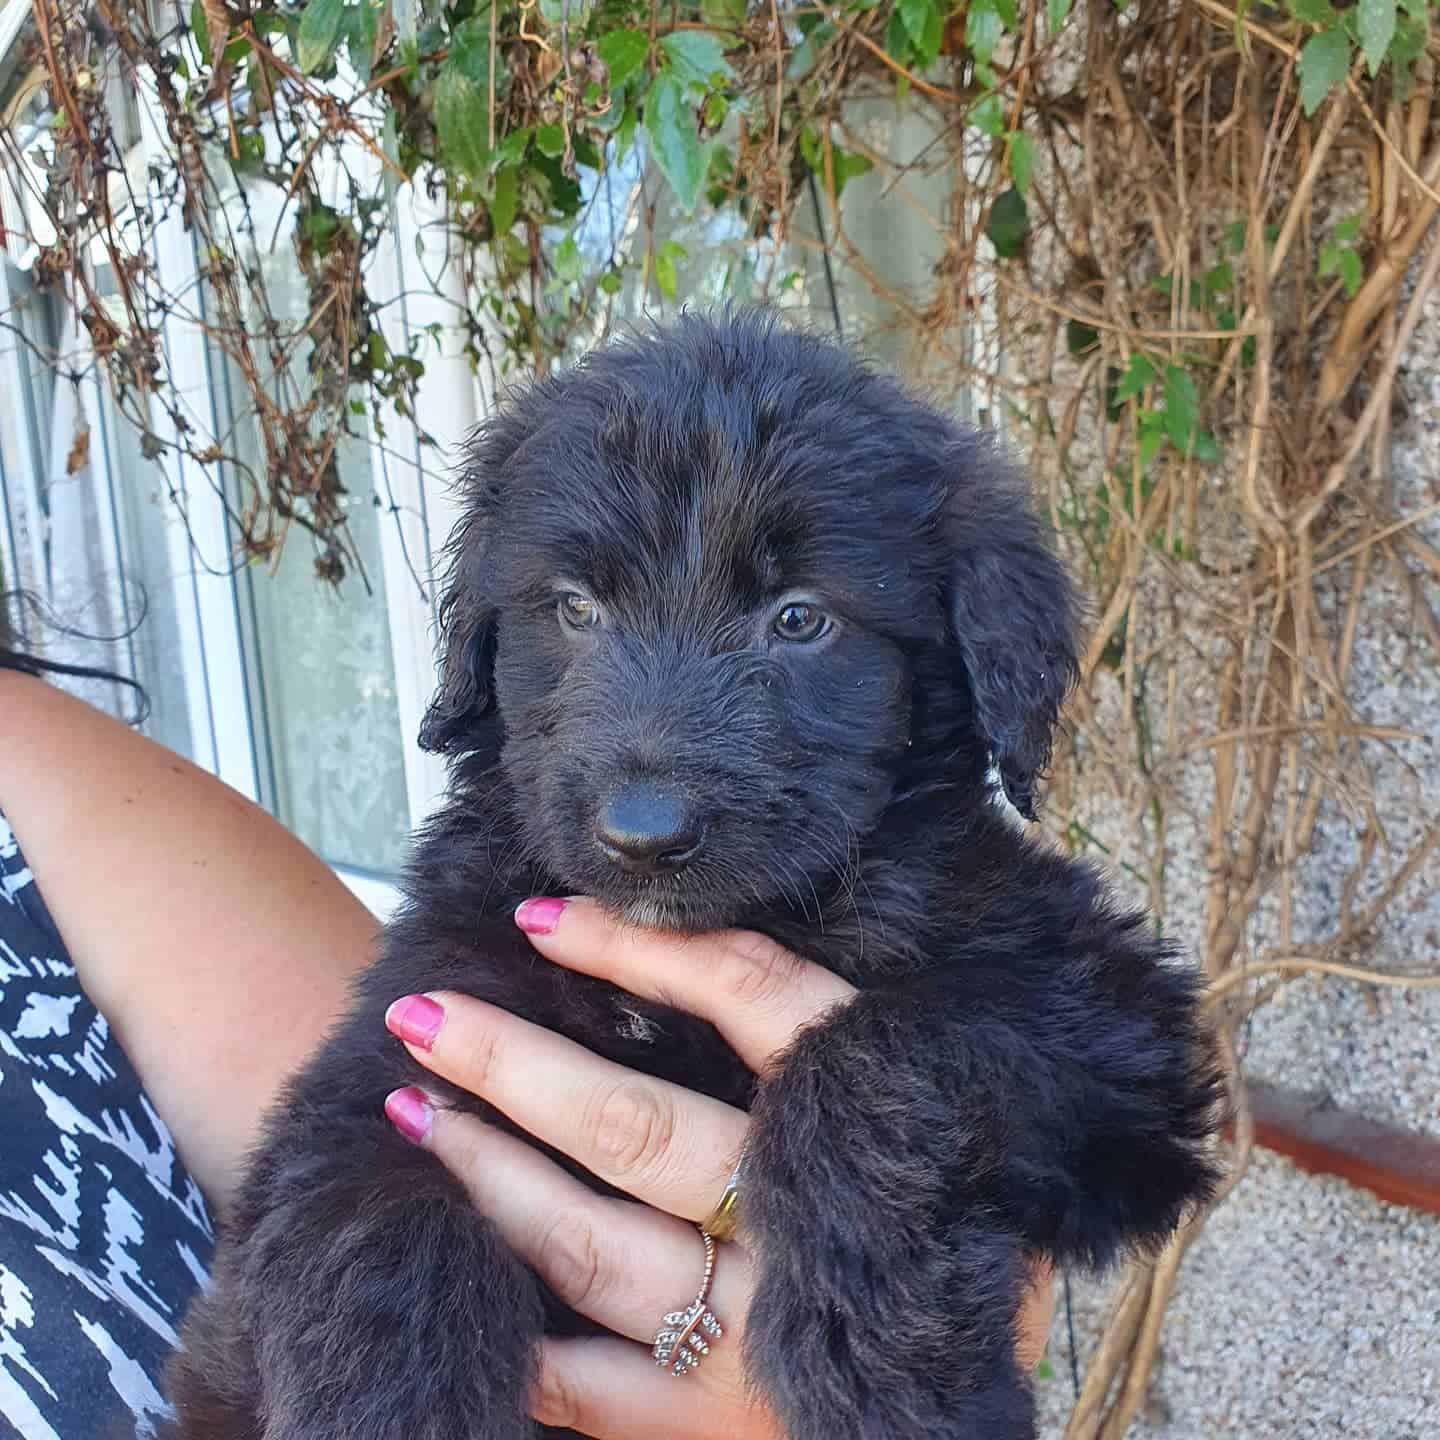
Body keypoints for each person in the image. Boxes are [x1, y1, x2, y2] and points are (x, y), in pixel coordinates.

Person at [0, 630, 1054, 1439]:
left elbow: (364, 1163)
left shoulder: (41, 795)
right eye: (578, 613)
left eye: (793, 622)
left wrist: (888, 1269)